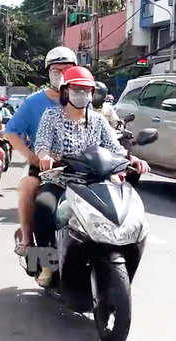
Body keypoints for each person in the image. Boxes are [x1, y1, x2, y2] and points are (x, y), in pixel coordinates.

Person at [30, 66, 150, 287]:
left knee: (122, 210)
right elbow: (42, 145)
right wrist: (45, 157)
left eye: (87, 90)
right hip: (61, 179)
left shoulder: (98, 120)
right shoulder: (51, 117)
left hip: (96, 180)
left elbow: (115, 147)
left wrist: (132, 160)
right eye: (77, 89)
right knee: (43, 207)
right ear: (66, 91)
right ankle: (46, 264)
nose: (82, 94)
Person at [4, 46, 77, 257]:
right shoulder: (34, 102)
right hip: (45, 167)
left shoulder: (82, 100)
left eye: (67, 70)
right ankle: (29, 244)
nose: (62, 75)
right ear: (48, 73)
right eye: (56, 70)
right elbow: (11, 132)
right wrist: (32, 157)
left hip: (79, 167)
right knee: (28, 187)